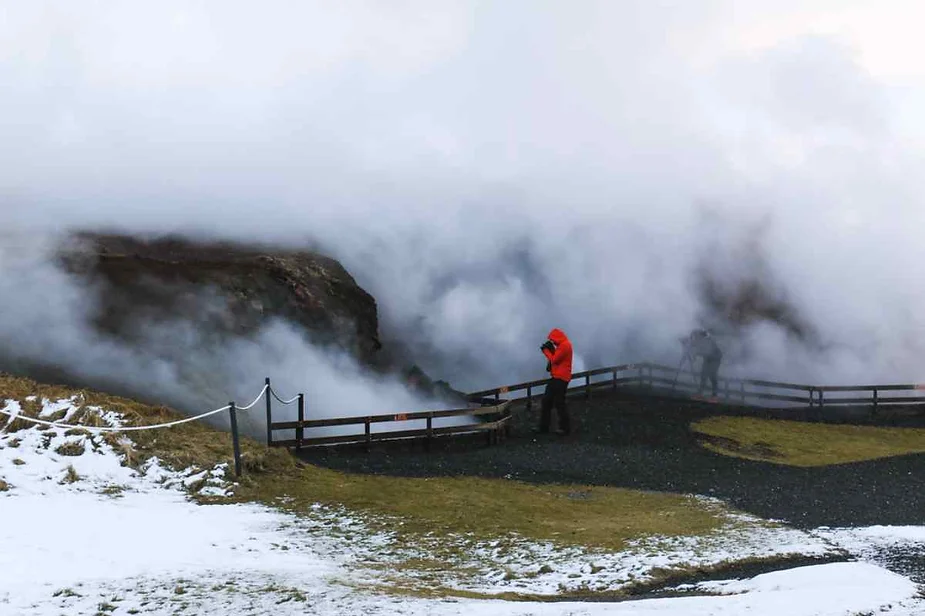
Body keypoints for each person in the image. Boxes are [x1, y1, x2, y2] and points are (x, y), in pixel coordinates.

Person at [538, 328, 573, 435]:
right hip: (557, 377)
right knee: (547, 401)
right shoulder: (563, 345)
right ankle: (544, 427)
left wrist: (546, 351)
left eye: (553, 340)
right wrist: (552, 350)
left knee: (559, 403)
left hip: (560, 378)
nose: (553, 342)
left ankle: (564, 428)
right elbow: (556, 358)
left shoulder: (564, 346)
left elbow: (554, 360)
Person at [688, 329, 722, 398]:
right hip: (707, 359)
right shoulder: (701, 340)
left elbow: (706, 351)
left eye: (695, 337)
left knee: (712, 376)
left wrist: (697, 353)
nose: (695, 338)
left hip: (715, 359)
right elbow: (695, 346)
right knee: (703, 376)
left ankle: (714, 395)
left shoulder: (707, 340)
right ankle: (700, 393)